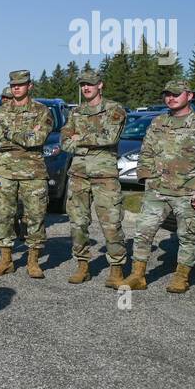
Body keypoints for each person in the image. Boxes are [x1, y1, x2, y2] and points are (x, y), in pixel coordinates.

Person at [123, 80, 195, 295]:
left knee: (187, 236)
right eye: (168, 94)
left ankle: (181, 277)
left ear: (189, 96)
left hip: (187, 191)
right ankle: (138, 275)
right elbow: (146, 152)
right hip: (157, 190)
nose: (171, 98)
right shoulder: (158, 122)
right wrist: (146, 179)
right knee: (143, 232)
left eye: (176, 94)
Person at [61, 70, 129, 286]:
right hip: (78, 174)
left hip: (104, 176)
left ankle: (116, 270)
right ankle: (82, 266)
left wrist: (79, 138)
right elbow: (64, 141)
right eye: (83, 84)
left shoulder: (114, 109)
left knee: (111, 223)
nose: (86, 88)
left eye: (90, 84)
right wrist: (88, 141)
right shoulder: (76, 112)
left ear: (100, 85)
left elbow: (110, 137)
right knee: (77, 222)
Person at [0, 70, 54, 278]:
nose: (16, 87)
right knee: (4, 217)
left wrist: (9, 133)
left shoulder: (42, 111)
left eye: (21, 84)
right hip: (5, 171)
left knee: (35, 217)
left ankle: (33, 262)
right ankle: (6, 260)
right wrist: (24, 136)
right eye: (13, 84)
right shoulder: (0, 112)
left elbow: (37, 139)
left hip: (33, 172)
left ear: (29, 86)